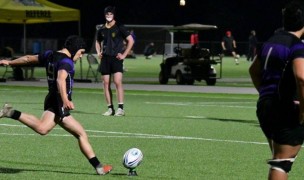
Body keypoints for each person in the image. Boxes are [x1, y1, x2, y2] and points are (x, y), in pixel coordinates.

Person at [0, 35, 113, 175]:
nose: (81, 56)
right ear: (74, 49)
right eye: (81, 52)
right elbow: (60, 80)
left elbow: (28, 58)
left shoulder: (50, 54)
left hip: (51, 98)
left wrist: (10, 62)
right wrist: (66, 100)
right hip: (59, 101)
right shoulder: (67, 62)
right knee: (80, 133)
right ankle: (99, 168)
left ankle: (10, 112)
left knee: (43, 128)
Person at [249, 1, 304, 179]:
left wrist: (265, 94)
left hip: (265, 107)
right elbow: (302, 77)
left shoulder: (270, 41)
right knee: (282, 163)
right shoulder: (296, 46)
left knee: (279, 159)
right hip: (285, 108)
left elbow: (253, 71)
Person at [95, 6, 134, 116]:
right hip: (105, 59)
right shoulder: (101, 29)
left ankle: (120, 108)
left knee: (117, 82)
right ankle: (110, 109)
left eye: (110, 14)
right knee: (106, 83)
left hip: (116, 58)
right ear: (104, 15)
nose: (108, 16)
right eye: (107, 14)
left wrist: (124, 55)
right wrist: (98, 52)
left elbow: (130, 40)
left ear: (114, 15)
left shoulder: (120, 27)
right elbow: (97, 42)